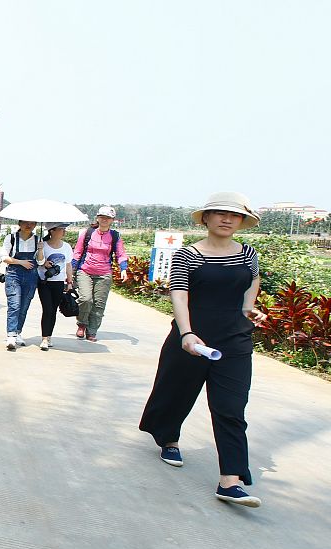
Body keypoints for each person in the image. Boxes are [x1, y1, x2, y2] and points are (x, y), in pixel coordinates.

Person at [138, 192, 267, 508]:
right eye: (220, 213)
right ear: (206, 218)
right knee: (176, 394)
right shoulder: (188, 255)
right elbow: (179, 294)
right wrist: (187, 333)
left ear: (241, 221)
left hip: (235, 340)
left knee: (231, 407)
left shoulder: (248, 254)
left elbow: (252, 281)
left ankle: (230, 481)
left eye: (234, 215)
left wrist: (249, 308)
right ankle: (168, 438)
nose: (227, 219)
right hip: (192, 337)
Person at [71, 205, 128, 342]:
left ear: (112, 220)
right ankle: (82, 324)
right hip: (85, 270)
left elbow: (120, 254)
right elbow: (77, 252)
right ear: (97, 218)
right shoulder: (87, 233)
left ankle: (92, 331)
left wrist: (123, 269)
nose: (104, 220)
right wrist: (71, 271)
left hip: (104, 274)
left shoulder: (114, 236)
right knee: (85, 299)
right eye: (102, 217)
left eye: (108, 218)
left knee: (99, 304)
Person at [0, 219, 44, 350]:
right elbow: (4, 257)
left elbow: (41, 262)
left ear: (35, 225)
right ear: (19, 223)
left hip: (31, 276)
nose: (28, 225)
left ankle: (18, 332)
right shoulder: (11, 238)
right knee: (14, 304)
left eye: (32, 223)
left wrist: (41, 249)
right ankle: (11, 335)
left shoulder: (38, 240)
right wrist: (20, 262)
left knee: (24, 305)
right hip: (14, 274)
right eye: (25, 222)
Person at [36, 223, 75, 350]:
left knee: (53, 310)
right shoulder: (43, 245)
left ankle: (49, 336)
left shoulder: (66, 247)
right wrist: (40, 251)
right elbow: (39, 262)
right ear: (52, 231)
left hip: (59, 282)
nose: (64, 232)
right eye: (61, 229)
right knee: (47, 309)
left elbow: (68, 265)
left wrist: (69, 282)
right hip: (44, 282)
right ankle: (44, 338)